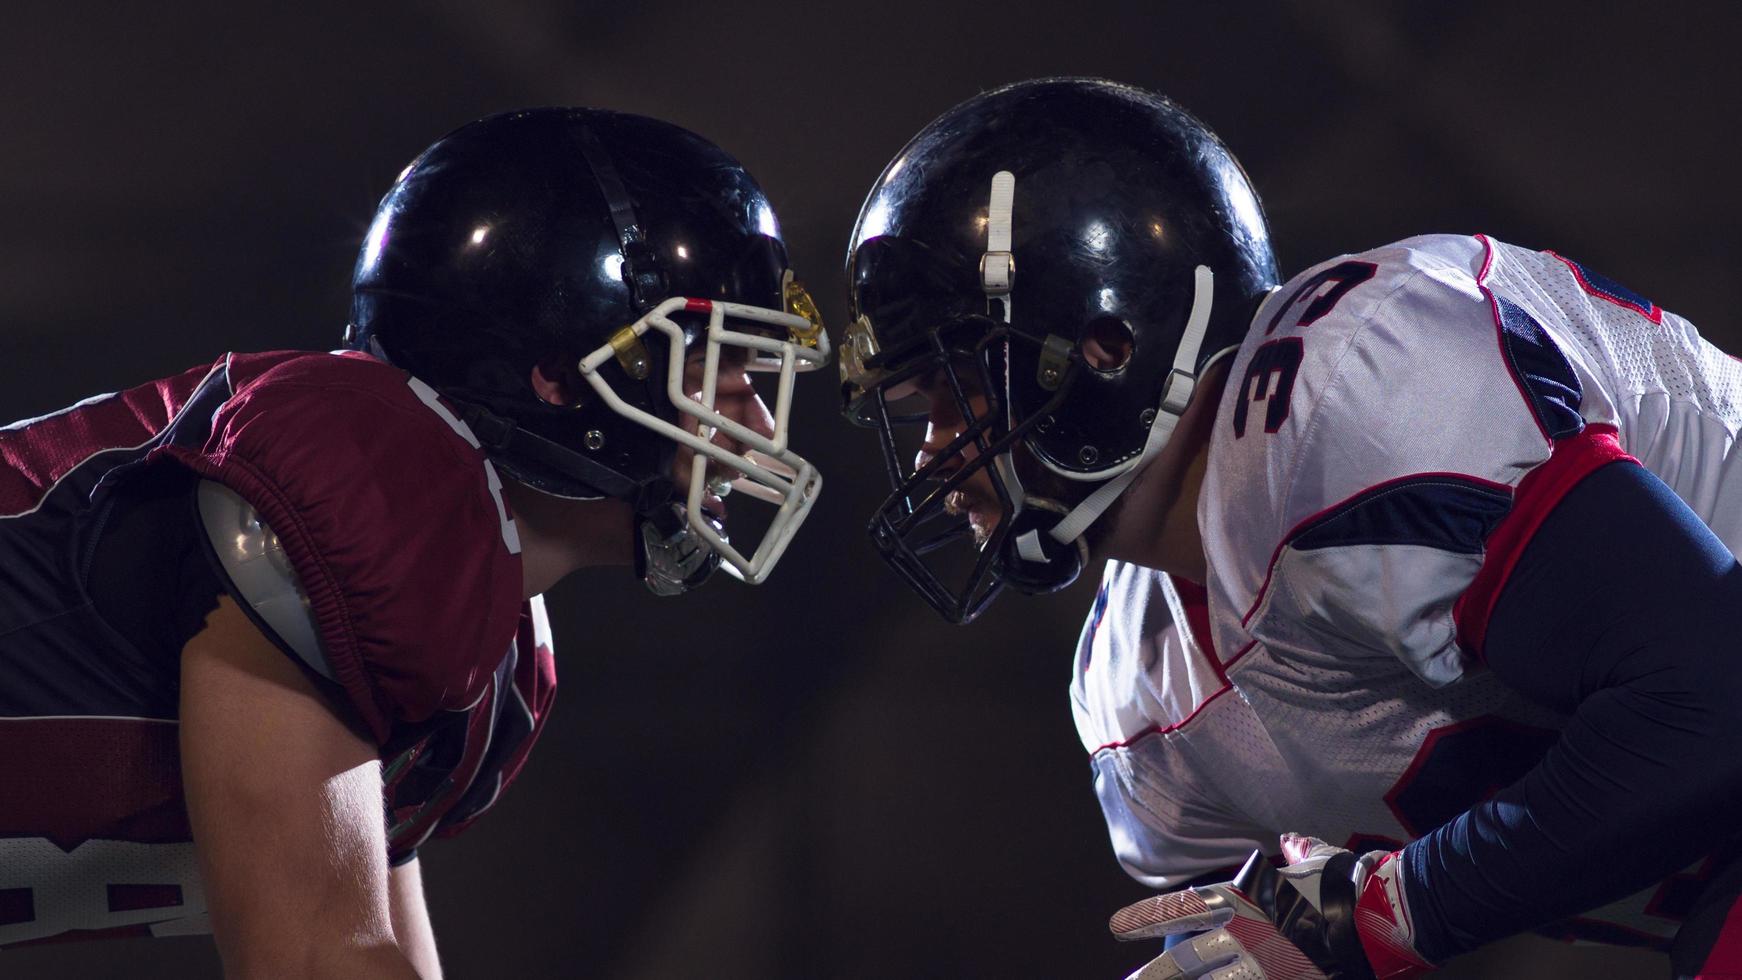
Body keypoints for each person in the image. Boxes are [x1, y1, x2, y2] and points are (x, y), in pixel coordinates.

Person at [839, 76, 1742, 978]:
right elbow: (1258, 947)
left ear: (1103, 351)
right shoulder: (1133, 683)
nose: (932, 455)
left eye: (954, 396)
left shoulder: (1345, 390)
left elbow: (1710, 699)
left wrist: (1397, 910)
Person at [0, 107, 830, 976]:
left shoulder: (485, 631)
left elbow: (376, 951)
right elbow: (315, 960)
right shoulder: (370, 479)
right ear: (555, 375)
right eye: (715, 370)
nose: (757, 423)